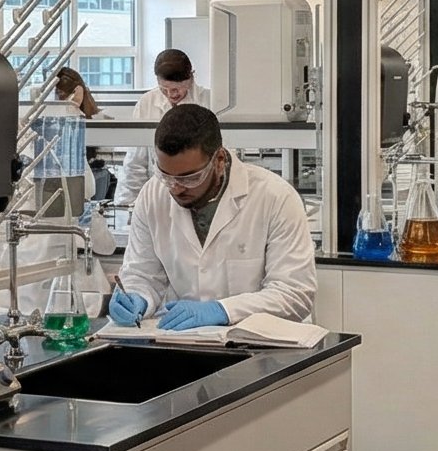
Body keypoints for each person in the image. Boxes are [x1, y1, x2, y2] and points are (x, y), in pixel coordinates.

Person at [112, 103, 315, 328]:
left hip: (268, 348)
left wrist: (224, 310)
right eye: (166, 176)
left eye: (190, 178)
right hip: (187, 343)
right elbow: (142, 274)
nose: (176, 188)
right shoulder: (152, 195)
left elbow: (294, 294)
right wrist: (137, 296)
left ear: (218, 160)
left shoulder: (275, 197)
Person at [118, 49, 212, 211]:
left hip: (199, 196)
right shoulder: (147, 102)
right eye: (164, 89)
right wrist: (128, 204)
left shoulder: (209, 101)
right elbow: (135, 162)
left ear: (191, 78)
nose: (170, 94)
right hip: (157, 197)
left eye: (176, 89)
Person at [27, 66, 103, 218]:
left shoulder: (87, 117)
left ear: (77, 92)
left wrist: (72, 107)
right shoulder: (48, 119)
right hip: (57, 185)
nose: (60, 101)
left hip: (75, 188)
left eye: (61, 95)